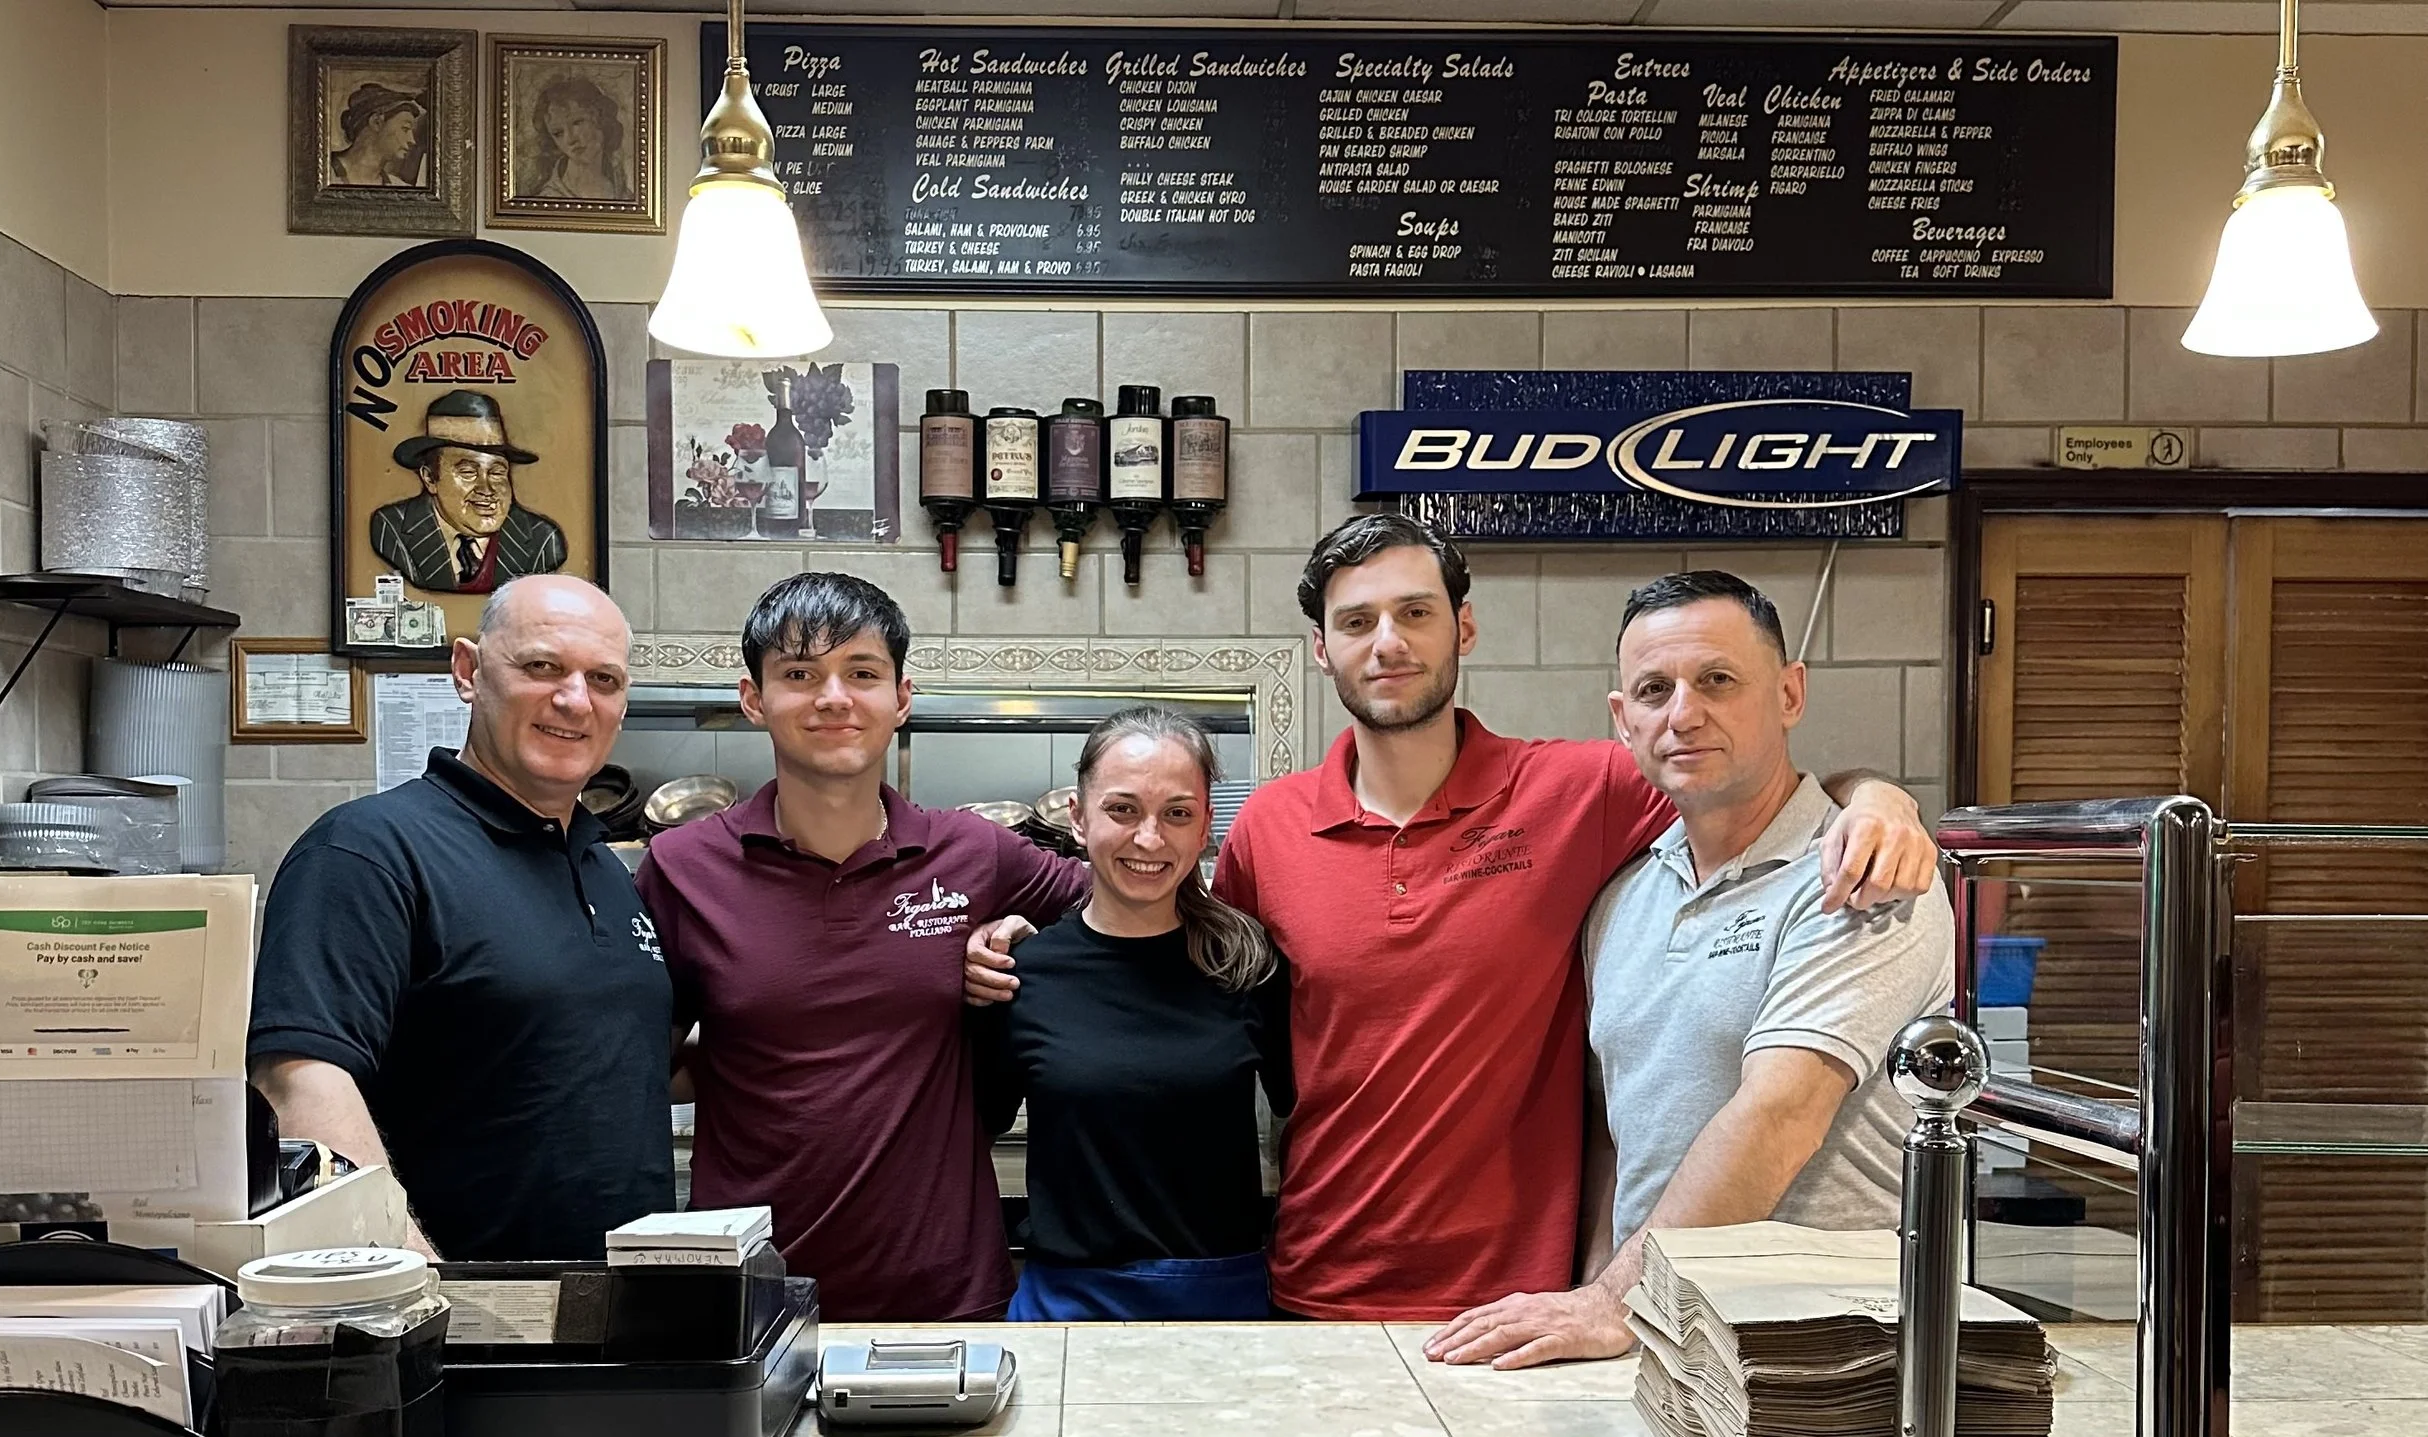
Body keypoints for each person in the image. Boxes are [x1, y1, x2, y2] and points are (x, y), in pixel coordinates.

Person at [967, 515, 1937, 1322]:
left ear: (1461, 631)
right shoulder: (1270, 825)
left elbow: (1750, 785)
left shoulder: (1579, 789)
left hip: (1517, 1294)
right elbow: (1185, 953)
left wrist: (1875, 801)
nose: (1387, 643)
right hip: (1315, 1281)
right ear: (1321, 650)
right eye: (1357, 622)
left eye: (1414, 613)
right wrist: (1035, 944)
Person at [1425, 572, 1953, 1368]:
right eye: (1654, 688)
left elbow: (1782, 1111)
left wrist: (1609, 1301)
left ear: (1789, 693)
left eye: (1717, 680)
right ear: (1622, 719)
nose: (1683, 713)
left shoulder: (1863, 873)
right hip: (1660, 1341)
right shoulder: (1624, 899)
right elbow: (1615, 1144)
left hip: (1824, 1358)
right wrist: (1598, 1298)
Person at [636, 572, 1090, 1321]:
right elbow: (637, 1059)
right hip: (752, 1304)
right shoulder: (683, 867)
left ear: (902, 699)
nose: (834, 697)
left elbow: (1131, 903)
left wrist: (1029, 935)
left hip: (945, 1297)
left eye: (863, 673)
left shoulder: (974, 853)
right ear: (754, 699)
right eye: (800, 674)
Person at [248, 576, 671, 1261]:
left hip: (614, 1327)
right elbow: (298, 1081)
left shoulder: (602, 869)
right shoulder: (368, 851)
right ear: (468, 671)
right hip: (454, 1329)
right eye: (542, 667)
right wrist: (428, 1291)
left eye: (604, 678)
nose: (574, 698)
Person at [970, 706, 1291, 1321]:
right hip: (1069, 1302)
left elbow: (1299, 1122)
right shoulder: (1021, 974)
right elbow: (969, 1140)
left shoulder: (1248, 966)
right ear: (1079, 819)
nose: (1150, 839)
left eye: (1177, 813)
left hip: (1224, 1301)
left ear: (1204, 830)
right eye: (1122, 810)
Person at [370, 391, 570, 595]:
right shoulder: (391, 529)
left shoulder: (543, 540)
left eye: (497, 472)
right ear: (430, 478)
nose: (487, 489)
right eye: (467, 472)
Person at [529, 73, 625, 200]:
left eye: (577, 123)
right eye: (558, 133)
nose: (570, 139)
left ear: (601, 117)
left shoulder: (622, 189)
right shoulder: (549, 198)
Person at [329, 83, 426, 188]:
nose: (412, 140)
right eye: (405, 129)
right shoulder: (322, 173)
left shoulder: (399, 188)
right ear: (376, 122)